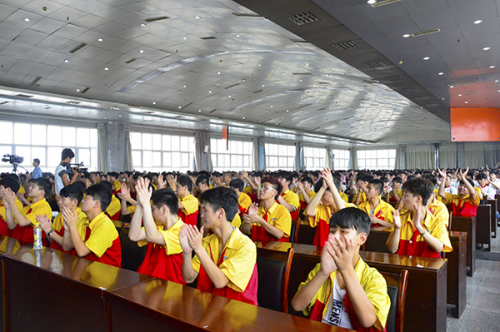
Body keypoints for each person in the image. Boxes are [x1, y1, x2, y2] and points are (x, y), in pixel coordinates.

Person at [291, 208, 390, 331]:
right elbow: (297, 306)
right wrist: (323, 272)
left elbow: (368, 320)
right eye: (332, 231)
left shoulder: (373, 278)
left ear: (362, 239)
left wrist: (346, 268)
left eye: (343, 231)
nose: (335, 236)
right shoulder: (322, 268)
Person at [180, 187, 258, 305]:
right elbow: (189, 278)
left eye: (205, 211)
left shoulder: (246, 246)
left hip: (238, 311)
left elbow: (220, 282)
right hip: (210, 306)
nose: (201, 215)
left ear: (221, 213)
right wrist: (187, 252)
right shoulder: (208, 241)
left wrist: (199, 248)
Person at [128, 178, 185, 283]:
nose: (152, 213)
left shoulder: (182, 231)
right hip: (148, 281)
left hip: (170, 287)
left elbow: (153, 237)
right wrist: (140, 205)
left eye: (152, 209)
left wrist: (146, 205)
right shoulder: (158, 226)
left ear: (164, 210)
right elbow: (133, 236)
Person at [387, 177, 452, 258]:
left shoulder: (435, 221)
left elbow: (439, 248)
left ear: (418, 198)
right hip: (404, 265)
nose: (403, 199)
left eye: (406, 195)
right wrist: (397, 229)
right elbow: (392, 249)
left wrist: (419, 227)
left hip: (427, 268)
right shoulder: (401, 219)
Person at [61, 183, 121, 267]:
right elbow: (67, 247)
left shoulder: (105, 226)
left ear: (96, 204)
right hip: (86, 268)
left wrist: (73, 226)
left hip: (105, 273)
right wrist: (67, 230)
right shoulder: (83, 221)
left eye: (86, 199)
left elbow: (82, 252)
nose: (82, 201)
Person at [305, 169, 356, 247]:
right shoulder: (322, 208)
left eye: (323, 195)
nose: (320, 198)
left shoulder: (351, 207)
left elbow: (343, 213)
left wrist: (331, 185)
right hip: (323, 249)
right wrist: (322, 188)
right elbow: (309, 212)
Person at [241, 176, 291, 243]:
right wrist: (248, 221)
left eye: (265, 188)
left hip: (275, 251)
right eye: (261, 187)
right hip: (258, 250)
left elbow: (279, 234)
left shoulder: (283, 211)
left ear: (274, 193)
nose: (261, 190)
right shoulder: (257, 210)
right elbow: (242, 232)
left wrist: (260, 220)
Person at [38, 184, 86, 253]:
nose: (59, 202)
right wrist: (46, 228)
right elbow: (53, 241)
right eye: (60, 198)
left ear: (74, 202)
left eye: (63, 199)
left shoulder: (81, 218)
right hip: (56, 254)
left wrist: (49, 230)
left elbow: (68, 246)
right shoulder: (60, 215)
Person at [4, 178, 53, 243]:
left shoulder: (44, 207)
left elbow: (22, 222)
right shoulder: (29, 207)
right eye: (30, 186)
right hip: (20, 243)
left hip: (33, 247)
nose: (29, 188)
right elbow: (12, 226)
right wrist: (8, 208)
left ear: (41, 192)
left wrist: (12, 202)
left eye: (33, 186)